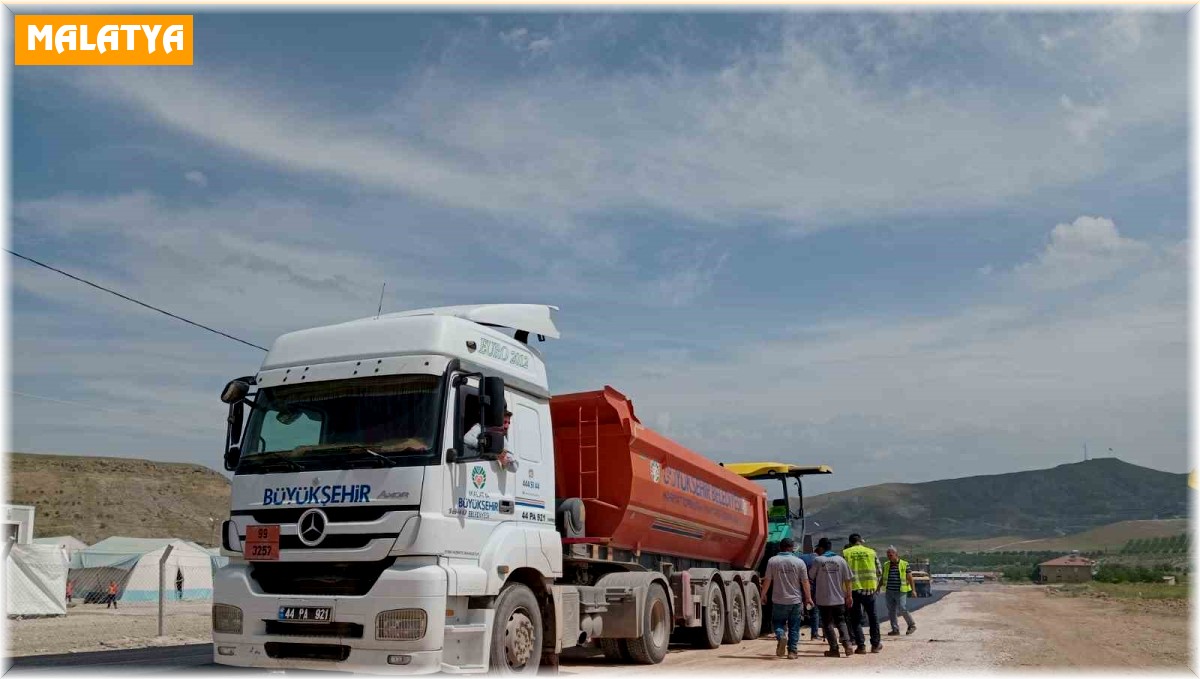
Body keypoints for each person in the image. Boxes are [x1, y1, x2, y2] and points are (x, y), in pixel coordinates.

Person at [759, 537, 812, 660]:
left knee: (778, 622)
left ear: (780, 547)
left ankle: (781, 635)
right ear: (792, 548)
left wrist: (763, 594)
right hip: (795, 601)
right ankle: (792, 651)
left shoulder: (773, 561)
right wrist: (808, 597)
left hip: (779, 600)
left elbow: (768, 580)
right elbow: (805, 581)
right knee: (794, 626)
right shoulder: (799, 562)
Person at [811, 538, 854, 658]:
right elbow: (848, 580)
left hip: (823, 599)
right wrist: (849, 596)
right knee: (841, 621)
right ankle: (848, 644)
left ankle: (834, 649)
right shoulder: (840, 560)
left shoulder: (818, 560)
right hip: (839, 598)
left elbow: (811, 576)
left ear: (821, 548)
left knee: (828, 623)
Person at [843, 533, 882, 654]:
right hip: (870, 589)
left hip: (854, 590)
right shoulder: (871, 552)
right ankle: (875, 645)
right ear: (861, 541)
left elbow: (843, 573)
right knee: (873, 617)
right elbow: (879, 571)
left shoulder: (846, 553)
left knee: (855, 619)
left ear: (850, 542)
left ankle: (861, 646)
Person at [879, 547, 917, 636]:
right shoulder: (886, 564)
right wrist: (878, 587)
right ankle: (895, 629)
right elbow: (882, 578)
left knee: (902, 608)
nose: (889, 557)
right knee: (891, 610)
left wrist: (913, 590)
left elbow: (910, 578)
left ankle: (911, 625)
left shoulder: (904, 564)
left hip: (900, 591)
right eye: (888, 555)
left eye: (890, 555)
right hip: (889, 591)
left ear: (896, 554)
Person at [798, 547, 822, 640]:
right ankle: (814, 634)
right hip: (813, 588)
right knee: (814, 611)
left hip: (799, 587)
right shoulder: (819, 560)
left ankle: (792, 632)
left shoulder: (801, 558)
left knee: (796, 610)